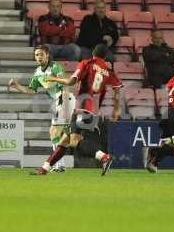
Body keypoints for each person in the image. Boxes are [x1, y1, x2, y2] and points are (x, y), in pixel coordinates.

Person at [32, 44, 122, 175]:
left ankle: (104, 157)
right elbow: (117, 88)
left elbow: (71, 82)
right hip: (94, 110)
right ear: (105, 56)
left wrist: (53, 78)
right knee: (65, 140)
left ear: (93, 53)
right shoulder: (109, 71)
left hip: (82, 107)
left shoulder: (86, 63)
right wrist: (116, 109)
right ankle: (45, 168)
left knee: (74, 140)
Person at [8, 45, 76, 172]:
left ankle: (58, 165)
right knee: (62, 135)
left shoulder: (55, 67)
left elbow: (65, 85)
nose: (39, 57)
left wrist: (65, 108)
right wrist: (16, 86)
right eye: (36, 55)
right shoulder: (38, 73)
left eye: (41, 54)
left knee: (56, 132)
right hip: (58, 101)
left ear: (47, 55)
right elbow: (31, 91)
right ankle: (60, 164)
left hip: (65, 98)